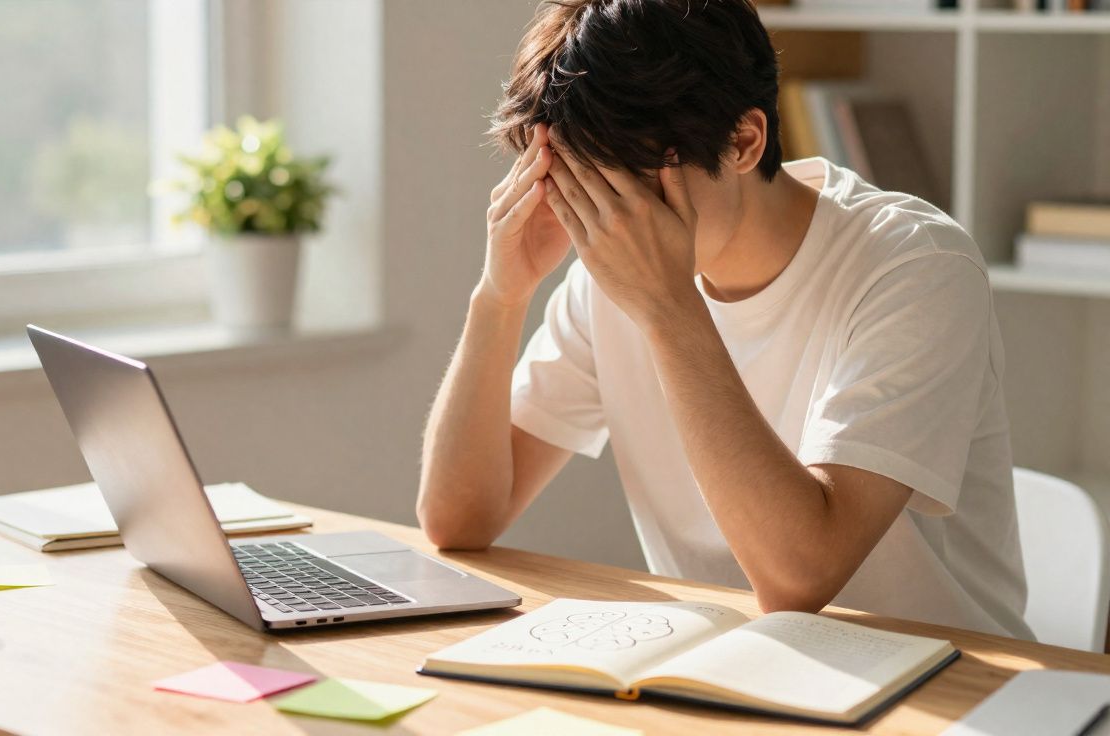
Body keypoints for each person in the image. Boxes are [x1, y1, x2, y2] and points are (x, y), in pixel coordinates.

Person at [416, 0, 1031, 639]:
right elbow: (458, 520)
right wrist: (501, 294)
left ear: (743, 141)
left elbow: (801, 577)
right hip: (737, 672)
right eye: (575, 184)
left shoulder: (916, 266)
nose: (603, 222)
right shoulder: (610, 274)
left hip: (947, 682)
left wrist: (668, 307)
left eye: (621, 189)